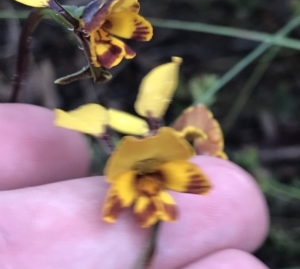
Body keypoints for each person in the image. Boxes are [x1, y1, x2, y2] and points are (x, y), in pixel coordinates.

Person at [0, 104, 269, 269]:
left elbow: (199, 184)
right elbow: (111, 209)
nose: (151, 187)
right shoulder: (124, 188)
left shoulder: (181, 178)